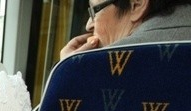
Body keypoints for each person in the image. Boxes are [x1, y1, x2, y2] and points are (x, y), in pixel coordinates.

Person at [60, 0, 191, 59]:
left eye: (94, 11)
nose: (89, 25)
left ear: (137, 5)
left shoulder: (102, 67)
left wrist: (68, 70)